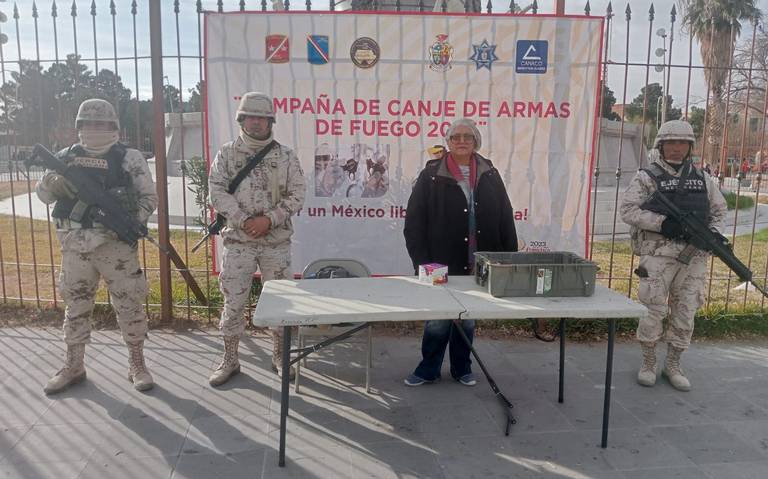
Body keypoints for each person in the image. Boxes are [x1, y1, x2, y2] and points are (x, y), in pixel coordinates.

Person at [37, 98, 158, 394]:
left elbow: (149, 198)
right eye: (88, 124)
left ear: (113, 126)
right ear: (80, 127)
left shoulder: (129, 158)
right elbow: (43, 194)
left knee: (129, 304)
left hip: (115, 247)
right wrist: (52, 183)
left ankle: (137, 363)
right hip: (75, 247)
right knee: (76, 305)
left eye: (100, 124)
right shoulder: (65, 157)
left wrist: (126, 221)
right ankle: (74, 365)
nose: (94, 129)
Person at [403, 118, 518, 387]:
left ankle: (462, 368)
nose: (462, 141)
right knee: (438, 319)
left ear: (476, 141)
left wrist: (507, 257)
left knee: (467, 318)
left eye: (468, 136)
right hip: (438, 261)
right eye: (456, 137)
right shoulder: (431, 174)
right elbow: (414, 222)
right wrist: (422, 262)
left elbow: (505, 216)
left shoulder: (490, 173)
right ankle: (428, 369)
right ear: (448, 142)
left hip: (480, 261)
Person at [620, 120, 726, 391]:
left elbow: (719, 210)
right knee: (652, 309)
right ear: (661, 145)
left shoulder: (702, 178)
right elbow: (629, 210)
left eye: (682, 143)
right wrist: (662, 223)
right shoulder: (646, 177)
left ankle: (674, 364)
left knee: (686, 309)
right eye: (671, 142)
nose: (677, 148)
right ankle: (649, 362)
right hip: (658, 254)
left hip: (694, 257)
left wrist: (712, 233)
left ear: (689, 147)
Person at [208, 91, 306, 386]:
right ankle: (230, 359)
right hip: (239, 242)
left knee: (280, 303)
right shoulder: (227, 154)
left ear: (270, 121)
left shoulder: (286, 155)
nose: (255, 123)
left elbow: (298, 193)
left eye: (261, 118)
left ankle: (279, 355)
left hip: (275, 243)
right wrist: (243, 220)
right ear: (241, 119)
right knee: (234, 301)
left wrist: (269, 220)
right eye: (250, 116)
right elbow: (216, 191)